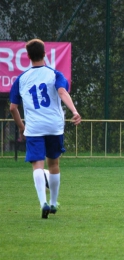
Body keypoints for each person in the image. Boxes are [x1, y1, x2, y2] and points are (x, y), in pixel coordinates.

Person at [9, 39, 81, 219]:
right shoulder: (54, 74)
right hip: (54, 126)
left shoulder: (21, 79)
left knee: (37, 166)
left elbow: (12, 107)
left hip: (34, 128)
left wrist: (21, 127)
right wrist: (74, 111)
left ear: (28, 56)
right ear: (44, 54)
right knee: (54, 164)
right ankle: (54, 202)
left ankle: (43, 202)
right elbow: (62, 92)